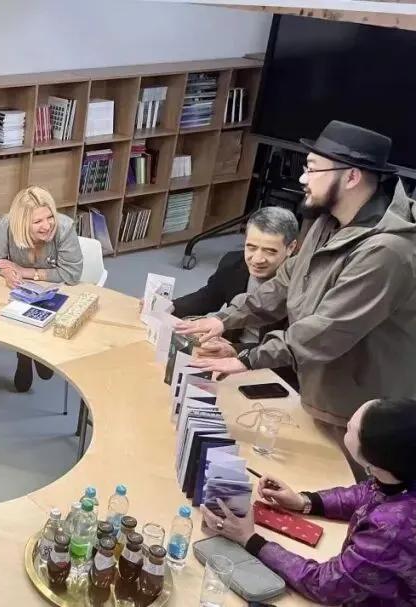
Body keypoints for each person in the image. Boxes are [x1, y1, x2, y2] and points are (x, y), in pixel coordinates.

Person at [177, 121, 416, 479]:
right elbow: (287, 281)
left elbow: (328, 330)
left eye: (313, 169)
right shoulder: (328, 221)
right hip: (322, 391)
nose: (303, 178)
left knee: (345, 490)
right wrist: (224, 319)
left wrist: (247, 358)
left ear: (351, 177)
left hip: (362, 412)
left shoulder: (387, 251)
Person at [201, 397, 416, 606]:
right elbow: (367, 492)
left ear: (373, 463)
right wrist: (304, 501)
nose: (348, 423)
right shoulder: (401, 471)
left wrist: (250, 539)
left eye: (351, 428)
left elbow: (325, 585)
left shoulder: (391, 530)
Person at [170, 206, 299, 388]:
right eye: (251, 247)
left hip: (274, 367)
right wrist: (170, 306)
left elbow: (292, 348)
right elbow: (208, 297)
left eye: (270, 251)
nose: (257, 259)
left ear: (291, 248)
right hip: (227, 349)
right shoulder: (233, 263)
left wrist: (236, 350)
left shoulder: (303, 287)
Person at [0, 185, 83, 392]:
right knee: (14, 313)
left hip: (57, 291)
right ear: (21, 223)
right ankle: (24, 357)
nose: (47, 226)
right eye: (37, 222)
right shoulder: (6, 225)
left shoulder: (64, 228)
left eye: (50, 217)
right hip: (19, 291)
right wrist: (7, 272)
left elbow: (71, 274)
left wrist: (25, 271)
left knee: (42, 316)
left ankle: (37, 353)